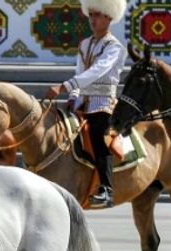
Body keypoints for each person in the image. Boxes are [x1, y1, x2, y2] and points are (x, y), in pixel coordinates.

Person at [45, 0, 126, 208]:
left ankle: (107, 189)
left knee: (98, 137)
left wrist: (64, 86)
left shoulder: (115, 47)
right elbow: (79, 73)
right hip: (82, 103)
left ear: (109, 17)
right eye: (90, 15)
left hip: (103, 103)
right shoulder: (84, 44)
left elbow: (96, 72)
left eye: (97, 15)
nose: (93, 20)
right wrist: (72, 96)